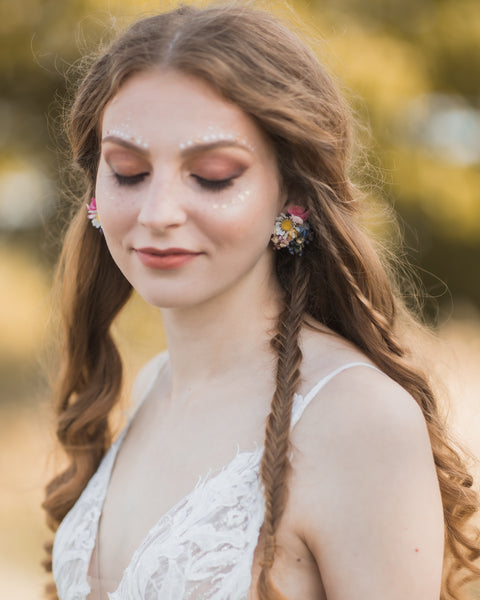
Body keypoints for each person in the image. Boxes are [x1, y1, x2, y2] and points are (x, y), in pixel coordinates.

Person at [42, 3, 480, 600]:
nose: (158, 213)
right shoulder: (150, 387)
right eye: (127, 170)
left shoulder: (357, 419)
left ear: (291, 191)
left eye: (215, 175)